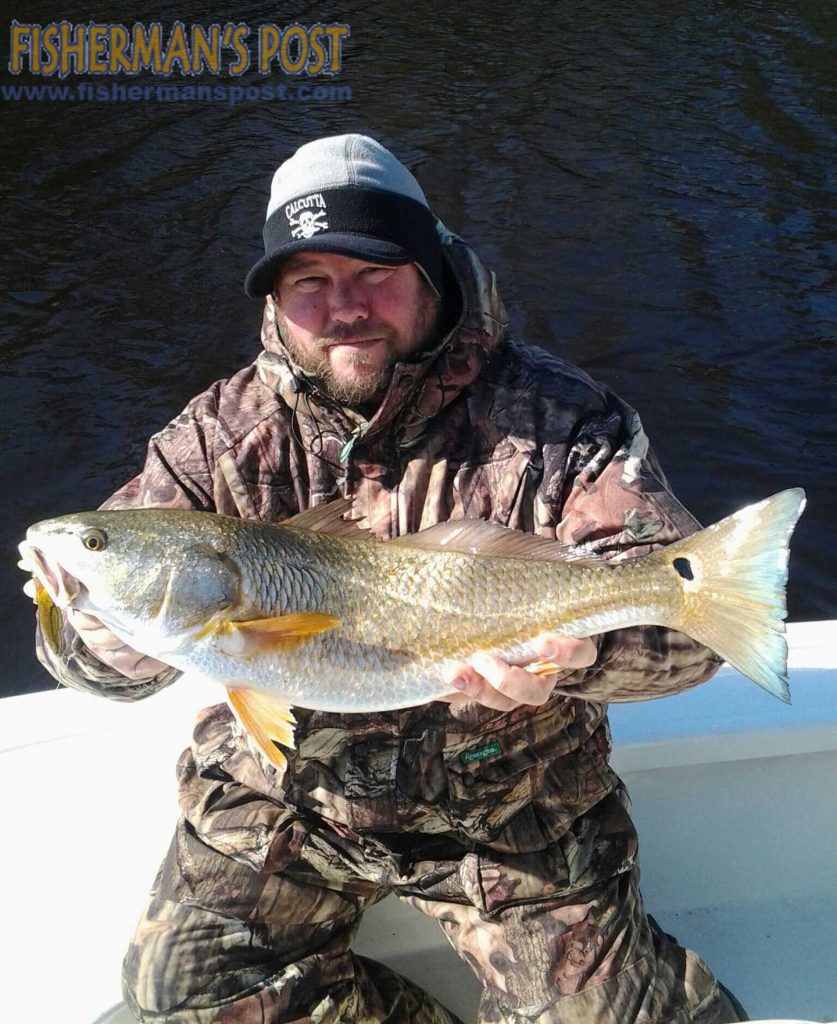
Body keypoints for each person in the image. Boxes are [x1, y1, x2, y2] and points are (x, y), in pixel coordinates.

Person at [36, 134, 748, 1024]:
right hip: (287, 801)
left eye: (374, 270)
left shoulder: (562, 423)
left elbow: (698, 636)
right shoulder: (211, 441)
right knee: (174, 995)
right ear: (277, 301)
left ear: (431, 270)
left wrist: (581, 650)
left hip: (516, 814)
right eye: (308, 283)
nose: (343, 308)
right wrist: (93, 627)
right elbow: (90, 662)